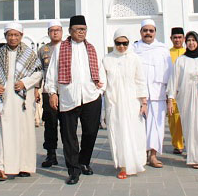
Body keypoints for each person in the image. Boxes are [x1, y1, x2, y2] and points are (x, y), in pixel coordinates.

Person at [45, 15, 106, 185]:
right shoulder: (60, 49)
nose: (81, 33)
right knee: (68, 136)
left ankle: (84, 161)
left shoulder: (92, 48)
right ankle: (73, 170)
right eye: (78, 30)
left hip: (91, 96)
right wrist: (52, 92)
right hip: (68, 97)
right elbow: (51, 73)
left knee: (91, 132)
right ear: (70, 31)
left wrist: (101, 89)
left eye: (84, 30)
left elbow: (101, 70)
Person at [0, 23, 43, 181]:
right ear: (5, 36)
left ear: (21, 36)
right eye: (10, 35)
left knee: (24, 133)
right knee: (2, 134)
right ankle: (1, 167)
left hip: (21, 102)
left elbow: (39, 73)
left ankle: (24, 167)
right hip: (4, 102)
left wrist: (25, 82)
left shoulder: (29, 54)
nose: (13, 38)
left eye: (16, 35)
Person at [168, 31, 198, 169]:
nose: (191, 43)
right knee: (191, 127)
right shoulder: (181, 60)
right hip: (187, 98)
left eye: (193, 40)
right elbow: (174, 81)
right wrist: (170, 99)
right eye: (188, 40)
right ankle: (195, 157)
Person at [103, 28, 147, 179]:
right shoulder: (107, 59)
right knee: (119, 133)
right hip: (114, 103)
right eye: (118, 43)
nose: (121, 46)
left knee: (134, 132)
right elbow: (103, 82)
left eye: (125, 43)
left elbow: (140, 80)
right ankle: (123, 165)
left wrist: (144, 102)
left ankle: (136, 162)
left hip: (132, 101)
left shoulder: (134, 58)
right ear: (114, 43)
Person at [133, 19, 172, 168]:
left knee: (157, 126)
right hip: (139, 95)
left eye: (151, 30)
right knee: (140, 126)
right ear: (141, 32)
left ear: (155, 32)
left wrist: (169, 96)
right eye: (145, 30)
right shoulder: (134, 48)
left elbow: (169, 72)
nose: (148, 33)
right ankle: (141, 154)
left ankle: (153, 155)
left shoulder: (162, 49)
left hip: (158, 94)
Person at [39, 20, 63, 168]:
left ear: (62, 31)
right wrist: (37, 89)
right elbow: (39, 71)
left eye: (57, 30)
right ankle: (51, 154)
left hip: (66, 91)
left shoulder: (69, 47)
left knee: (67, 125)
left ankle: (69, 154)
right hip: (48, 91)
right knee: (50, 124)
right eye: (52, 30)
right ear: (48, 33)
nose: (55, 33)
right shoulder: (43, 50)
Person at [168, 27, 185, 155]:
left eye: (180, 37)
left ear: (183, 39)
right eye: (175, 37)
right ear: (171, 39)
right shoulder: (167, 54)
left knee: (188, 119)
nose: (177, 40)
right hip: (172, 92)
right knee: (174, 120)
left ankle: (189, 143)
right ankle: (178, 144)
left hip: (187, 92)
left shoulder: (188, 52)